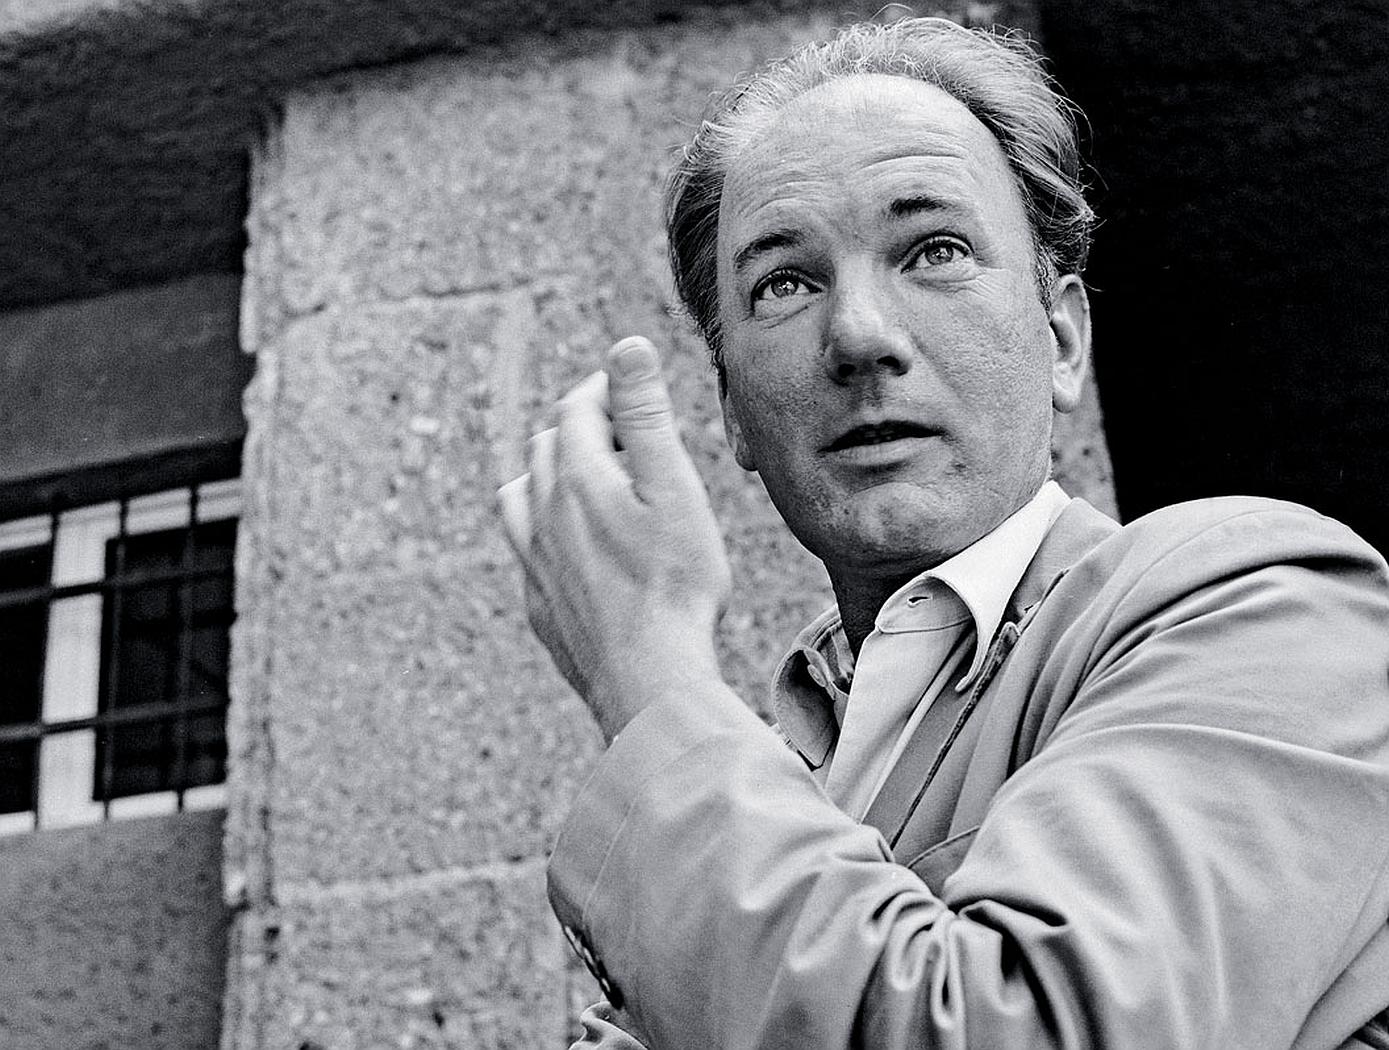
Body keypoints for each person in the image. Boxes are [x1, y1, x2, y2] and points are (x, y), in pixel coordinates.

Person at [497, 17, 1389, 1050]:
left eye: (935, 251)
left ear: (1062, 338)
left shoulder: (1265, 601)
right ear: (733, 411)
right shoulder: (771, 773)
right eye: (784, 282)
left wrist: (648, 673)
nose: (860, 336)